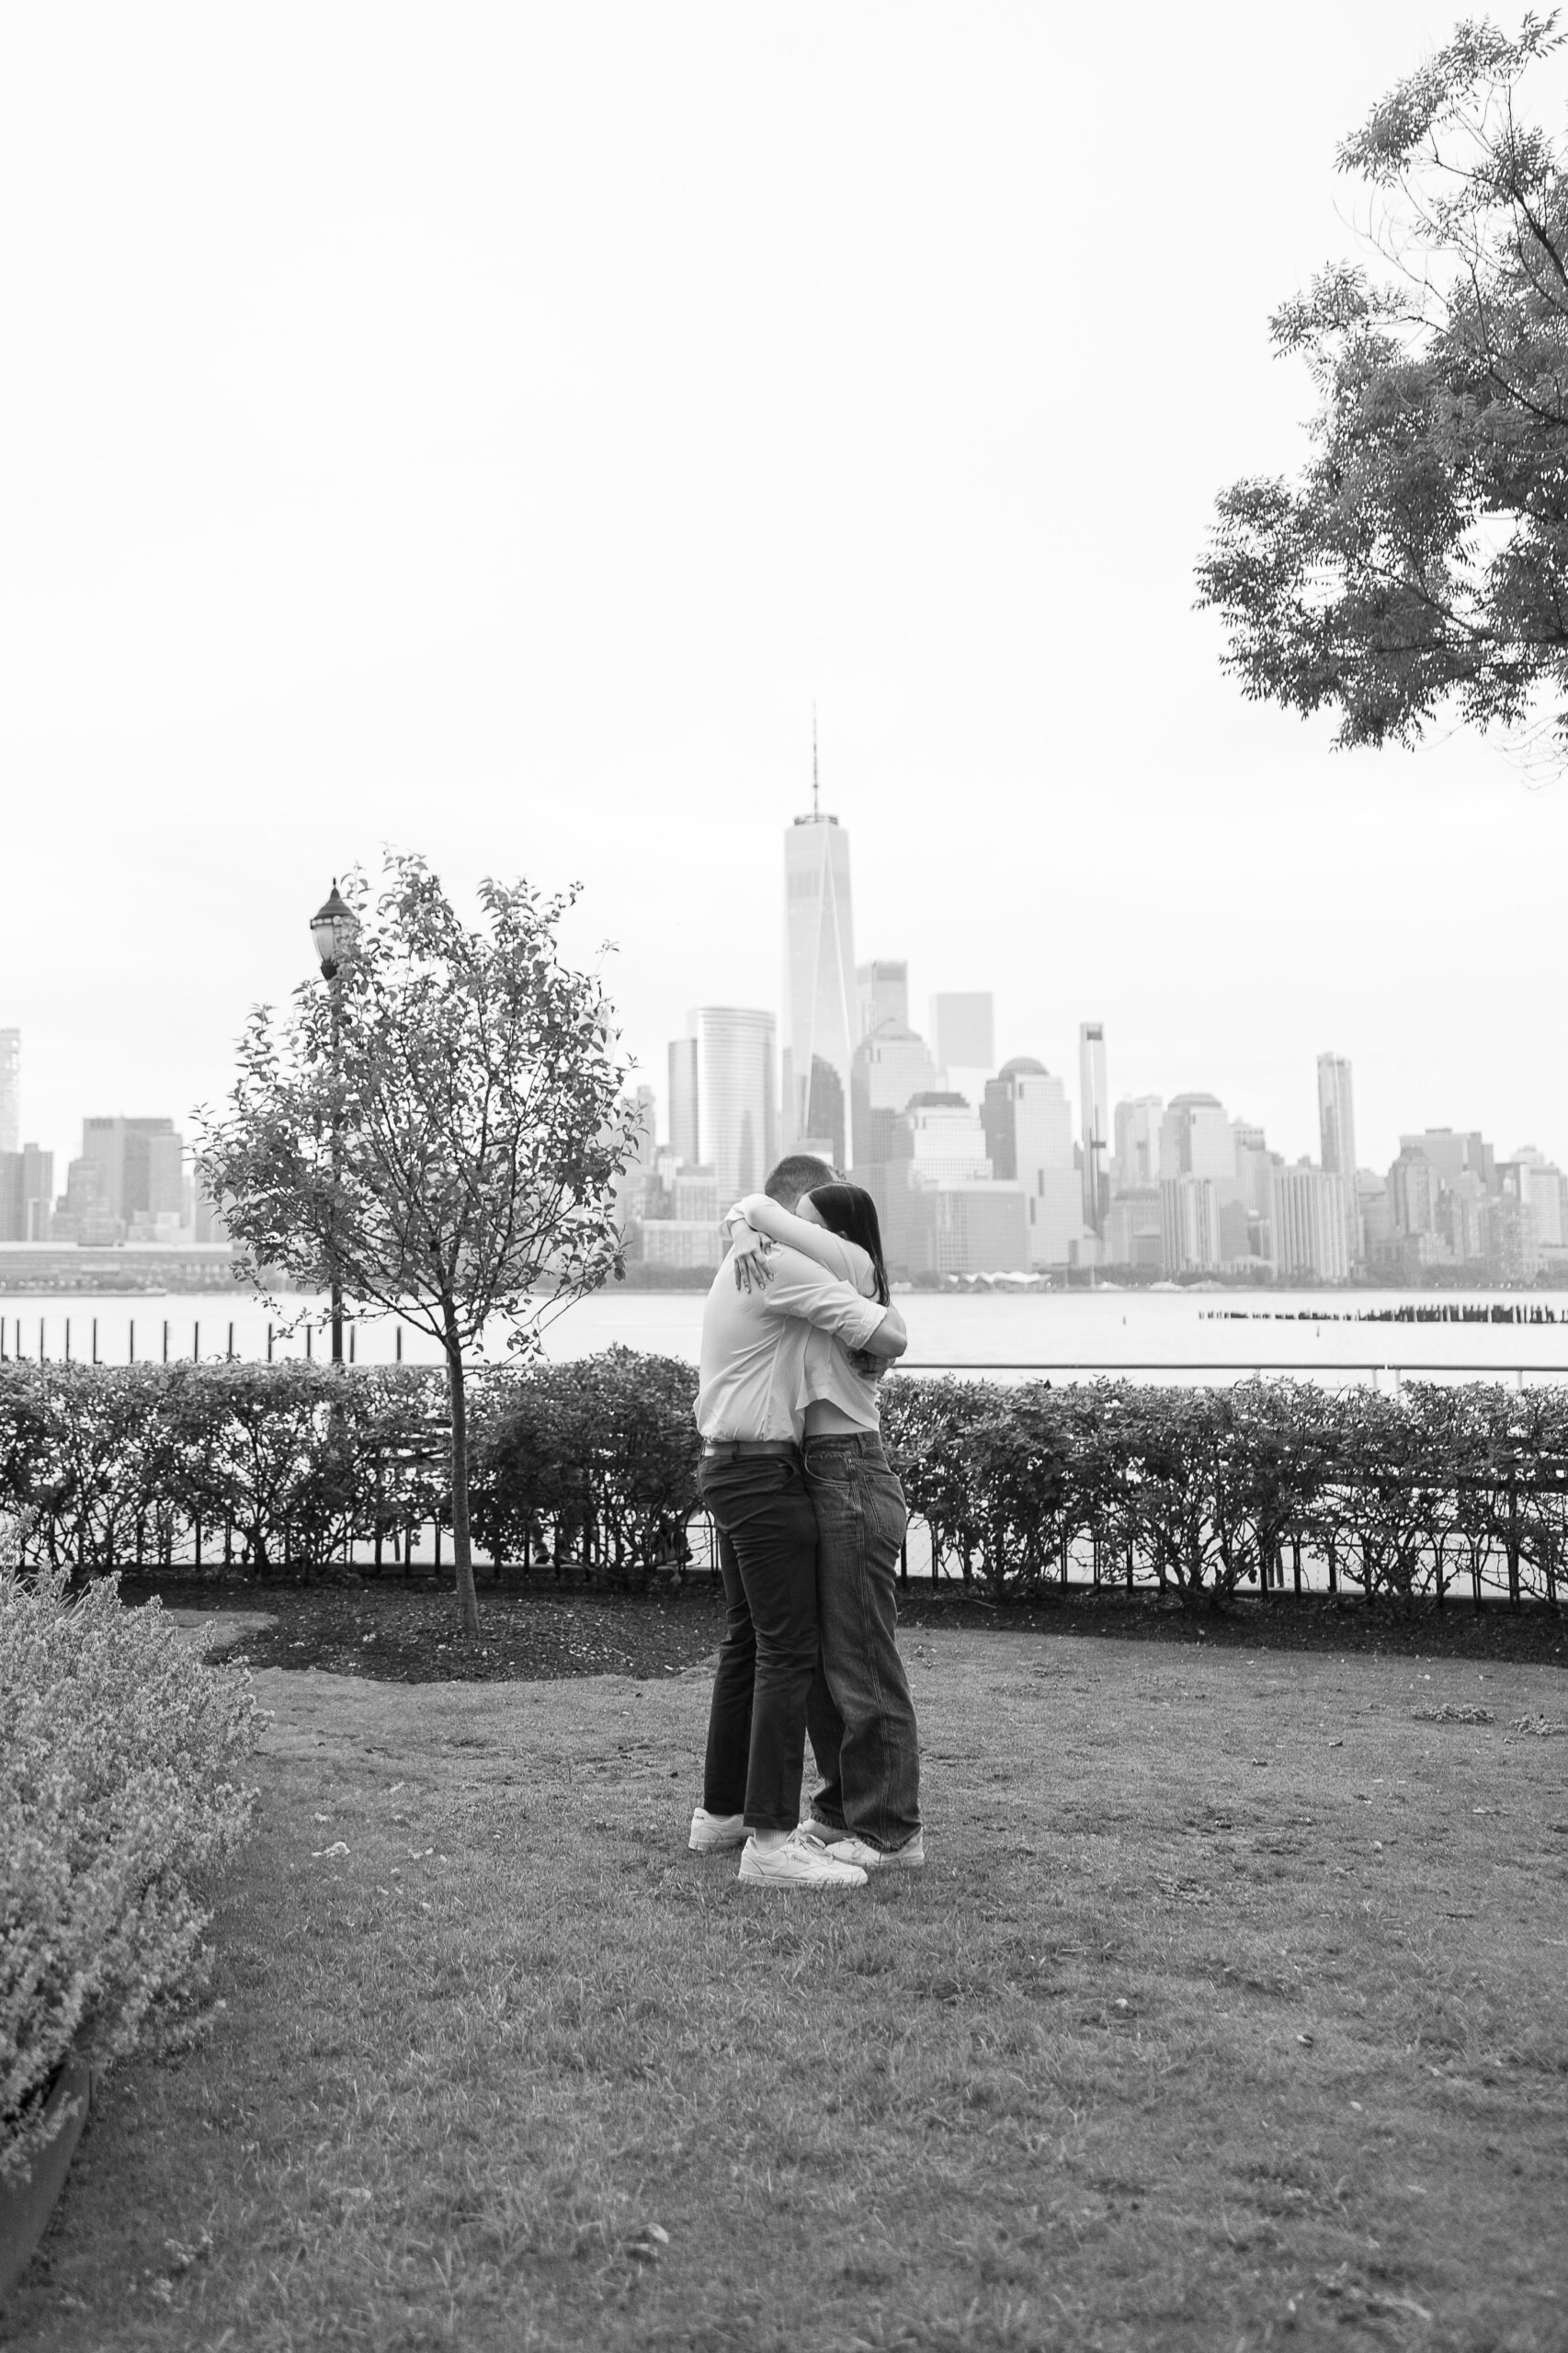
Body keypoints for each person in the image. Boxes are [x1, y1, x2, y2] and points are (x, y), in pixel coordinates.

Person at [691, 1154, 910, 1889]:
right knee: (789, 1653)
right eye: (805, 1221)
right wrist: (752, 1220)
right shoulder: (779, 1265)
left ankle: (731, 1815)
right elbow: (886, 1332)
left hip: (754, 1465)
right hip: (768, 1472)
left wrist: (748, 1220)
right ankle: (776, 1836)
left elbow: (874, 1307)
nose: (813, 1237)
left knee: (765, 1647)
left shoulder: (765, 1259)